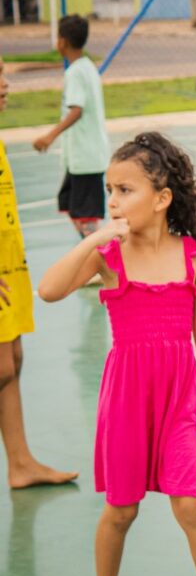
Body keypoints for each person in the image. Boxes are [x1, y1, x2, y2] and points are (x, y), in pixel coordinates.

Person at [37, 132, 196, 576]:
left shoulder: (193, 256)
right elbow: (50, 290)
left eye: (125, 190)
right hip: (126, 398)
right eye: (109, 189)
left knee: (191, 502)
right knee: (121, 508)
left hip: (180, 396)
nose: (113, 201)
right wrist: (91, 239)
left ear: (163, 198)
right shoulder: (109, 256)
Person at [0, 54, 79, 489]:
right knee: (2, 368)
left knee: (13, 360)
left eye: (3, 74)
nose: (5, 84)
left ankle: (20, 463)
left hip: (9, 267)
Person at [33, 15, 111, 237]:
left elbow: (77, 110)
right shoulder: (88, 67)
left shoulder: (75, 72)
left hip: (85, 159)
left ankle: (108, 264)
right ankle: (100, 258)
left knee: (86, 218)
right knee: (73, 208)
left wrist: (50, 136)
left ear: (62, 41)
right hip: (81, 159)